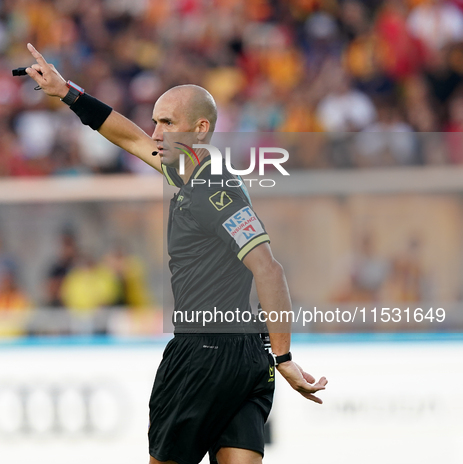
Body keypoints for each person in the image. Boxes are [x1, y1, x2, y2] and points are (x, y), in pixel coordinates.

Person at [24, 43, 327, 464]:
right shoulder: (195, 173)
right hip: (249, 359)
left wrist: (287, 356)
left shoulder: (211, 189)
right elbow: (128, 136)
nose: (156, 133)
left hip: (203, 353)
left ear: (200, 129)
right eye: (156, 122)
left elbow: (269, 270)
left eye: (168, 123)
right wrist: (68, 92)